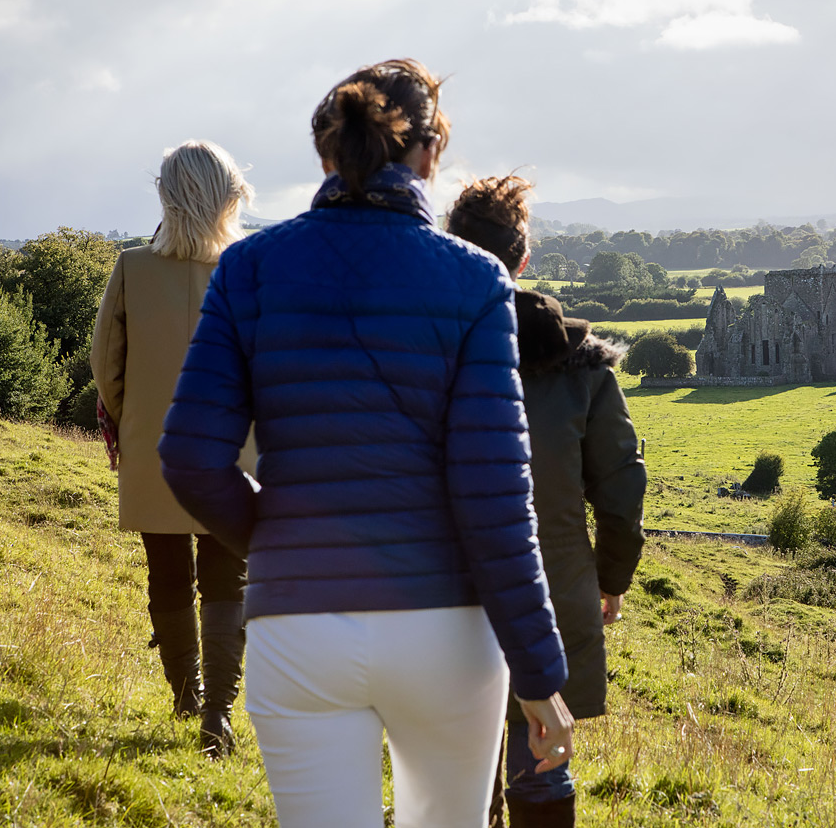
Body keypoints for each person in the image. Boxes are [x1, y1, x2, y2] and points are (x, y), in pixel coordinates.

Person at [158, 59, 573, 828]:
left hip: (297, 628)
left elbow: (188, 455)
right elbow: (495, 500)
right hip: (445, 628)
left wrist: (280, 540)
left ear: (327, 154)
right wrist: (541, 673)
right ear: (430, 155)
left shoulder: (248, 268)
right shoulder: (475, 281)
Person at [446, 177, 646, 828]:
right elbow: (620, 482)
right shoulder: (580, 365)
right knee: (542, 761)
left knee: (453, 775)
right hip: (551, 583)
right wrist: (611, 578)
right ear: (523, 258)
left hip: (442, 583)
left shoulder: (423, 346)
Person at [90, 140, 258, 758]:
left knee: (167, 574)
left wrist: (129, 419)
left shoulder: (133, 266)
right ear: (229, 195)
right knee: (226, 577)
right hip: (235, 449)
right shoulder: (252, 267)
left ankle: (187, 701)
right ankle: (218, 713)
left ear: (166, 194)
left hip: (154, 445)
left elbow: (107, 365)